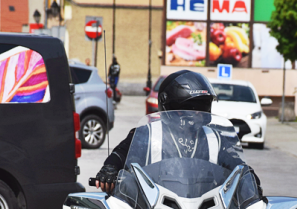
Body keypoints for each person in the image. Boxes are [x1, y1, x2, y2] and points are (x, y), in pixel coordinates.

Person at [94, 70, 262, 196]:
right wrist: (109, 169)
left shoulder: (215, 139)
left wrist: (249, 179)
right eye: (194, 107)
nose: (200, 113)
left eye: (204, 107)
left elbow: (238, 166)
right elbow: (120, 153)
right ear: (173, 107)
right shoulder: (148, 134)